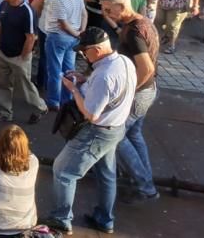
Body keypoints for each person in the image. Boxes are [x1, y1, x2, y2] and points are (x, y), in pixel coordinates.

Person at [44, 27, 137, 235]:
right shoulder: (123, 61)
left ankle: (61, 219)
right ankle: (105, 219)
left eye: (85, 51)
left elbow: (91, 114)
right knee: (106, 173)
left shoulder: (104, 75)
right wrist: (86, 80)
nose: (83, 55)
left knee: (63, 171)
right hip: (117, 127)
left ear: (96, 49)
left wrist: (74, 89)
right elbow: (111, 90)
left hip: (98, 132)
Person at [100, 0, 161, 205]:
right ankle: (144, 180)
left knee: (115, 136)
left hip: (139, 93)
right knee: (134, 135)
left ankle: (146, 186)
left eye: (109, 9)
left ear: (121, 6)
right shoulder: (142, 22)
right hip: (148, 91)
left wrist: (129, 91)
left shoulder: (134, 32)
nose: (106, 13)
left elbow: (147, 68)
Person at [0, 0, 47, 124]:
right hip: (2, 52)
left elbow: (31, 37)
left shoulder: (27, 11)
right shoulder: (4, 4)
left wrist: (23, 57)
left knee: (24, 86)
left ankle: (39, 108)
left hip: (18, 56)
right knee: (2, 82)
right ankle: (4, 111)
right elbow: (1, 24)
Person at [43, 0, 86, 111]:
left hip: (58, 38)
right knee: (69, 70)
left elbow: (63, 24)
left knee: (55, 71)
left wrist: (76, 34)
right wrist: (80, 32)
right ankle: (67, 99)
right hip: (72, 38)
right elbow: (83, 13)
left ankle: (53, 101)